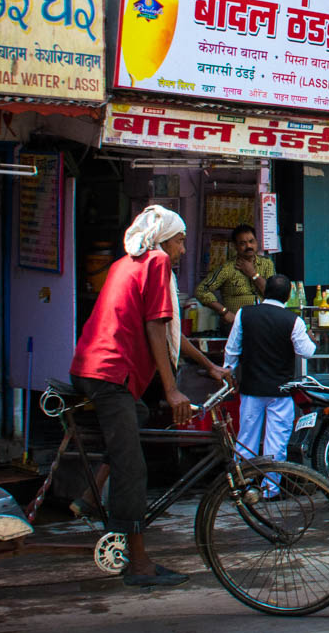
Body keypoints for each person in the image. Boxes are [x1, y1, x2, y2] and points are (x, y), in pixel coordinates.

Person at [70, 206, 228, 587]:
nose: (184, 249)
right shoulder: (156, 262)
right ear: (163, 240)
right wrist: (172, 389)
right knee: (133, 468)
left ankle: (89, 496)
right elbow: (157, 327)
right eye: (180, 240)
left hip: (94, 368)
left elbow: (171, 332)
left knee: (138, 418)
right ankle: (138, 563)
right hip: (111, 373)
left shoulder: (128, 262)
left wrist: (209, 366)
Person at [225, 274, 315, 495]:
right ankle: (269, 490)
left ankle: (242, 485)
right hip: (280, 391)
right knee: (276, 441)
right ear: (287, 296)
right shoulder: (293, 321)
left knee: (246, 438)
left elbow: (232, 349)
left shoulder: (244, 314)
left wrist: (229, 372)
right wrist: (311, 338)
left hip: (251, 388)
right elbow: (307, 352)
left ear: (265, 293)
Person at [196, 224, 275, 321]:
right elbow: (201, 290)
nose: (248, 246)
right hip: (237, 325)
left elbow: (272, 294)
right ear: (235, 246)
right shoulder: (228, 268)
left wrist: (253, 274)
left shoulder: (267, 264)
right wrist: (224, 311)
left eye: (251, 241)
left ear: (257, 242)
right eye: (242, 243)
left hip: (264, 322)